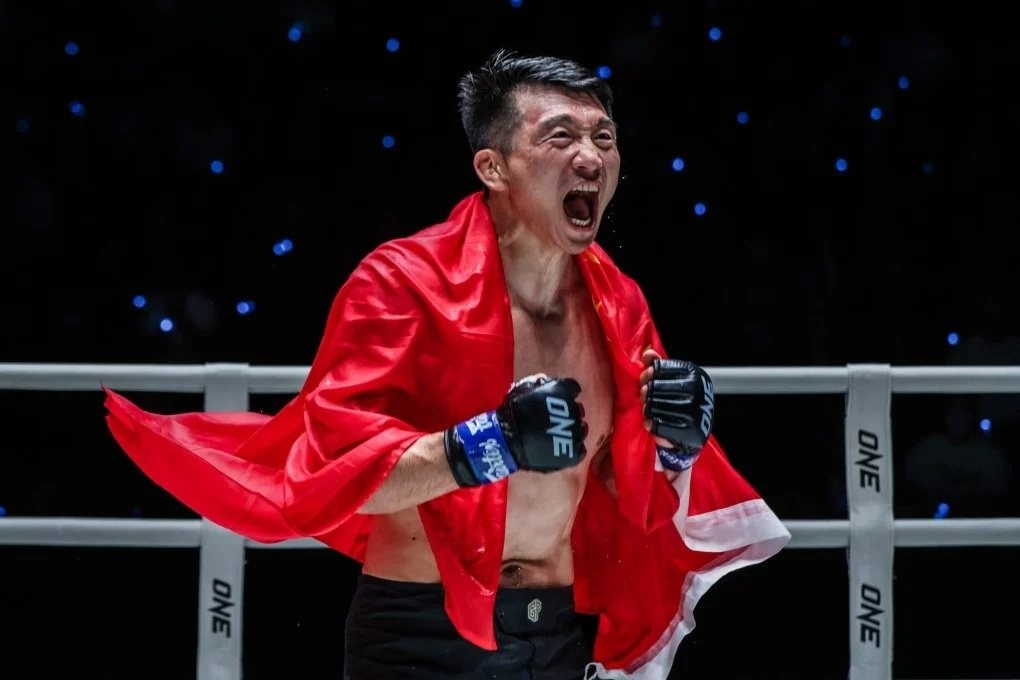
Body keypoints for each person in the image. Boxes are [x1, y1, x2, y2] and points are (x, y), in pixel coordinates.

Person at [103, 48, 790, 679]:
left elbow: (612, 480)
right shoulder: (400, 283)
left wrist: (673, 447)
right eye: (560, 137)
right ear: (493, 168)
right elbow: (340, 474)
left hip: (552, 634)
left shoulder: (619, 303)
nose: (590, 156)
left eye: (603, 138)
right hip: (420, 635)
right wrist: (487, 444)